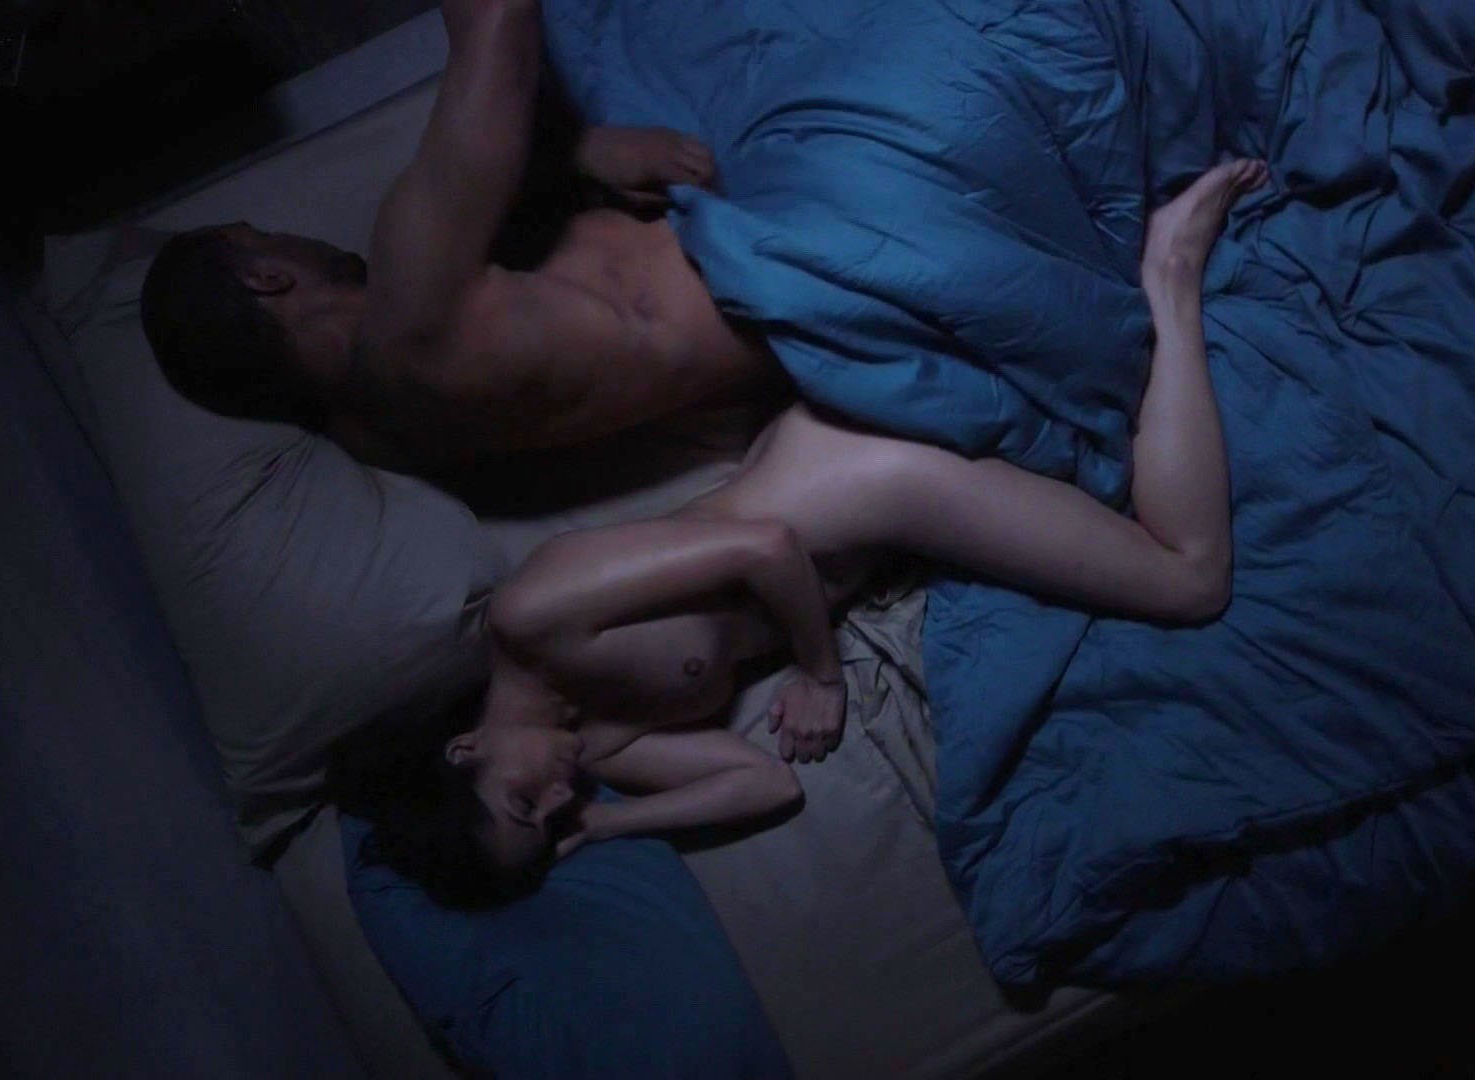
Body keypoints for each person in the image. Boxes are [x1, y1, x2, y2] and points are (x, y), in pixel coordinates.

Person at [332, 158, 1271, 906]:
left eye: (523, 800)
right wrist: (604, 827)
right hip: (875, 523)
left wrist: (821, 675)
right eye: (547, 823)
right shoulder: (607, 746)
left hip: (852, 485)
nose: (557, 797)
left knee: (1187, 580)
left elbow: (762, 548)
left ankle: (1170, 275)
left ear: (465, 751)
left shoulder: (533, 616)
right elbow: (764, 784)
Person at [138, 0, 783, 472]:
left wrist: (586, 154)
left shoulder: (380, 436)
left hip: (750, 307)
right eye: (268, 234)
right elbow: (499, 17)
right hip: (763, 251)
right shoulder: (409, 298)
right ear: (266, 276)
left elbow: (518, 279)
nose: (296, 236)